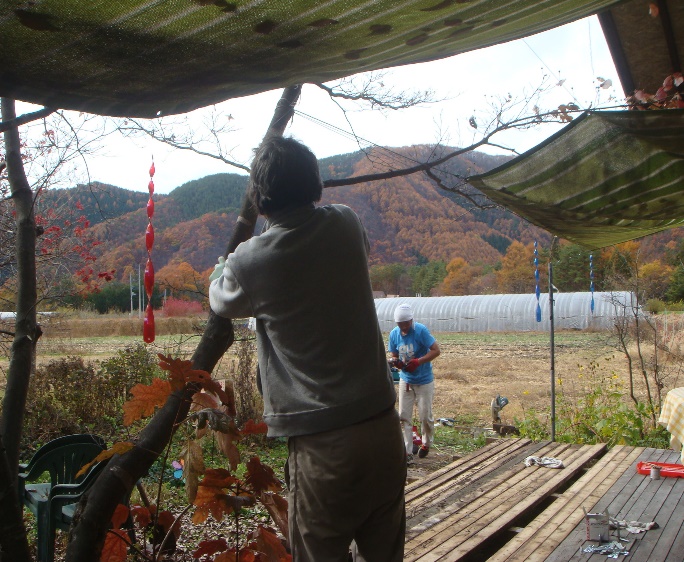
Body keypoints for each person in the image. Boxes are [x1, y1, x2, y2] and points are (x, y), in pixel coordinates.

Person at [209, 136, 406, 562]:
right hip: (384, 431)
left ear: (260, 200)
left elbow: (222, 300)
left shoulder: (250, 260)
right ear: (316, 186)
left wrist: (220, 267)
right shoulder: (347, 223)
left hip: (323, 446)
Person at [388, 303, 440, 462]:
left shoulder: (421, 331)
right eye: (400, 324)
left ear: (411, 321)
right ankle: (407, 452)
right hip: (406, 380)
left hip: (424, 380)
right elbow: (394, 353)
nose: (404, 327)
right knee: (404, 416)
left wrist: (419, 361)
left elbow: (436, 350)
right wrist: (396, 363)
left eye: (406, 324)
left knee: (425, 416)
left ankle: (426, 443)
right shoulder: (394, 334)